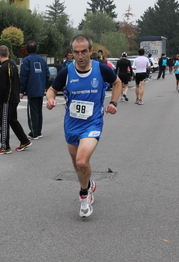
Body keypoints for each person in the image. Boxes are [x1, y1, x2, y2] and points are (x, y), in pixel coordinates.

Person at [46, 35, 122, 218]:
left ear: (90, 51)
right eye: (76, 52)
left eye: (83, 52)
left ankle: (83, 195)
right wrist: (50, 99)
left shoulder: (101, 69)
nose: (80, 56)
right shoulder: (67, 71)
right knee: (76, 164)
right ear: (72, 53)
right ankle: (89, 185)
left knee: (81, 161)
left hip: (93, 122)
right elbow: (52, 89)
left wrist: (114, 102)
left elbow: (117, 82)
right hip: (71, 124)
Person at [0, 45, 32, 155]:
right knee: (12, 120)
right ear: (8, 54)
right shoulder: (13, 65)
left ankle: (5, 146)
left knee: (3, 122)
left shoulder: (3, 68)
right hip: (15, 98)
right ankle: (24, 140)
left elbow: (3, 87)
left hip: (8, 99)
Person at [20, 41, 50, 140]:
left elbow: (24, 77)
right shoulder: (42, 60)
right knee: (38, 111)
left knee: (32, 112)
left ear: (27, 50)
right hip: (40, 89)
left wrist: (21, 90)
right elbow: (47, 74)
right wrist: (44, 86)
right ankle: (38, 131)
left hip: (32, 89)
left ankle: (34, 132)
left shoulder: (26, 60)